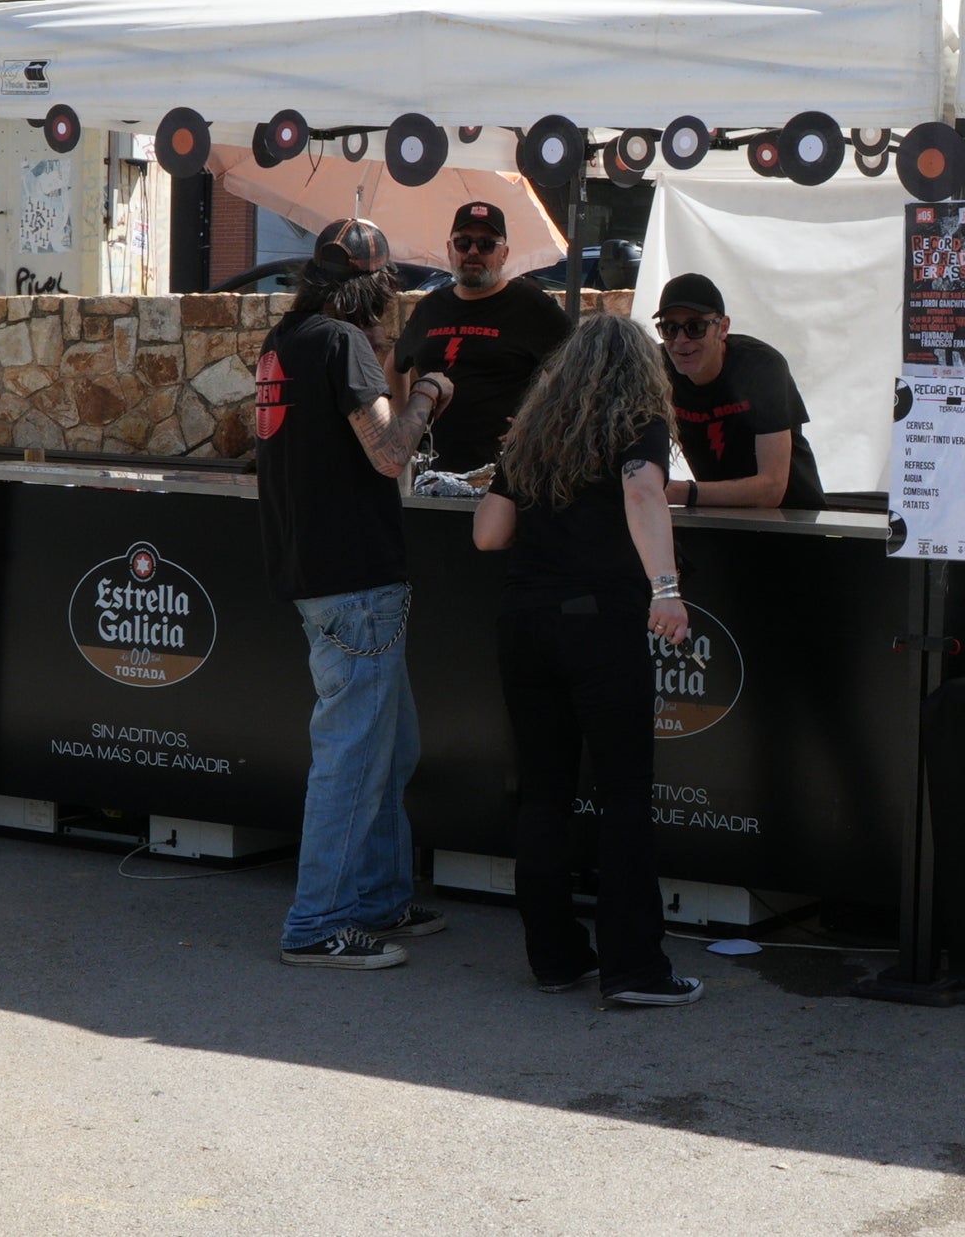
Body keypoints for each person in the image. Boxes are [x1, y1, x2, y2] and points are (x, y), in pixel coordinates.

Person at [473, 313, 703, 1007]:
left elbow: (488, 533)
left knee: (543, 792)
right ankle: (635, 971)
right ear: (643, 372)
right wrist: (666, 587)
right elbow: (642, 492)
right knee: (625, 794)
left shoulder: (535, 435)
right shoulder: (637, 423)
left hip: (524, 622)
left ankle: (555, 958)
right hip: (599, 623)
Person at [255, 220, 454, 970]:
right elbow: (390, 453)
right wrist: (429, 391)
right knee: (352, 757)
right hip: (356, 580)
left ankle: (378, 899)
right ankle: (318, 923)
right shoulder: (340, 344)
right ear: (375, 286)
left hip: (322, 573)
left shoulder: (285, 338)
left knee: (389, 748)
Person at [388, 200, 573, 472]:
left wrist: (543, 426)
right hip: (432, 473)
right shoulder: (430, 307)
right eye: (463, 243)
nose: (473, 251)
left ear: (504, 254)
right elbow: (395, 364)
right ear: (449, 249)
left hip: (505, 473)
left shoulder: (532, 306)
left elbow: (580, 375)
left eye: (486, 244)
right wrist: (406, 428)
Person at [649, 272, 826, 510]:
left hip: (792, 522)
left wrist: (682, 492)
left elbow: (771, 489)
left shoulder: (761, 366)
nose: (680, 340)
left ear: (723, 328)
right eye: (670, 328)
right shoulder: (655, 369)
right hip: (718, 520)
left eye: (695, 327)